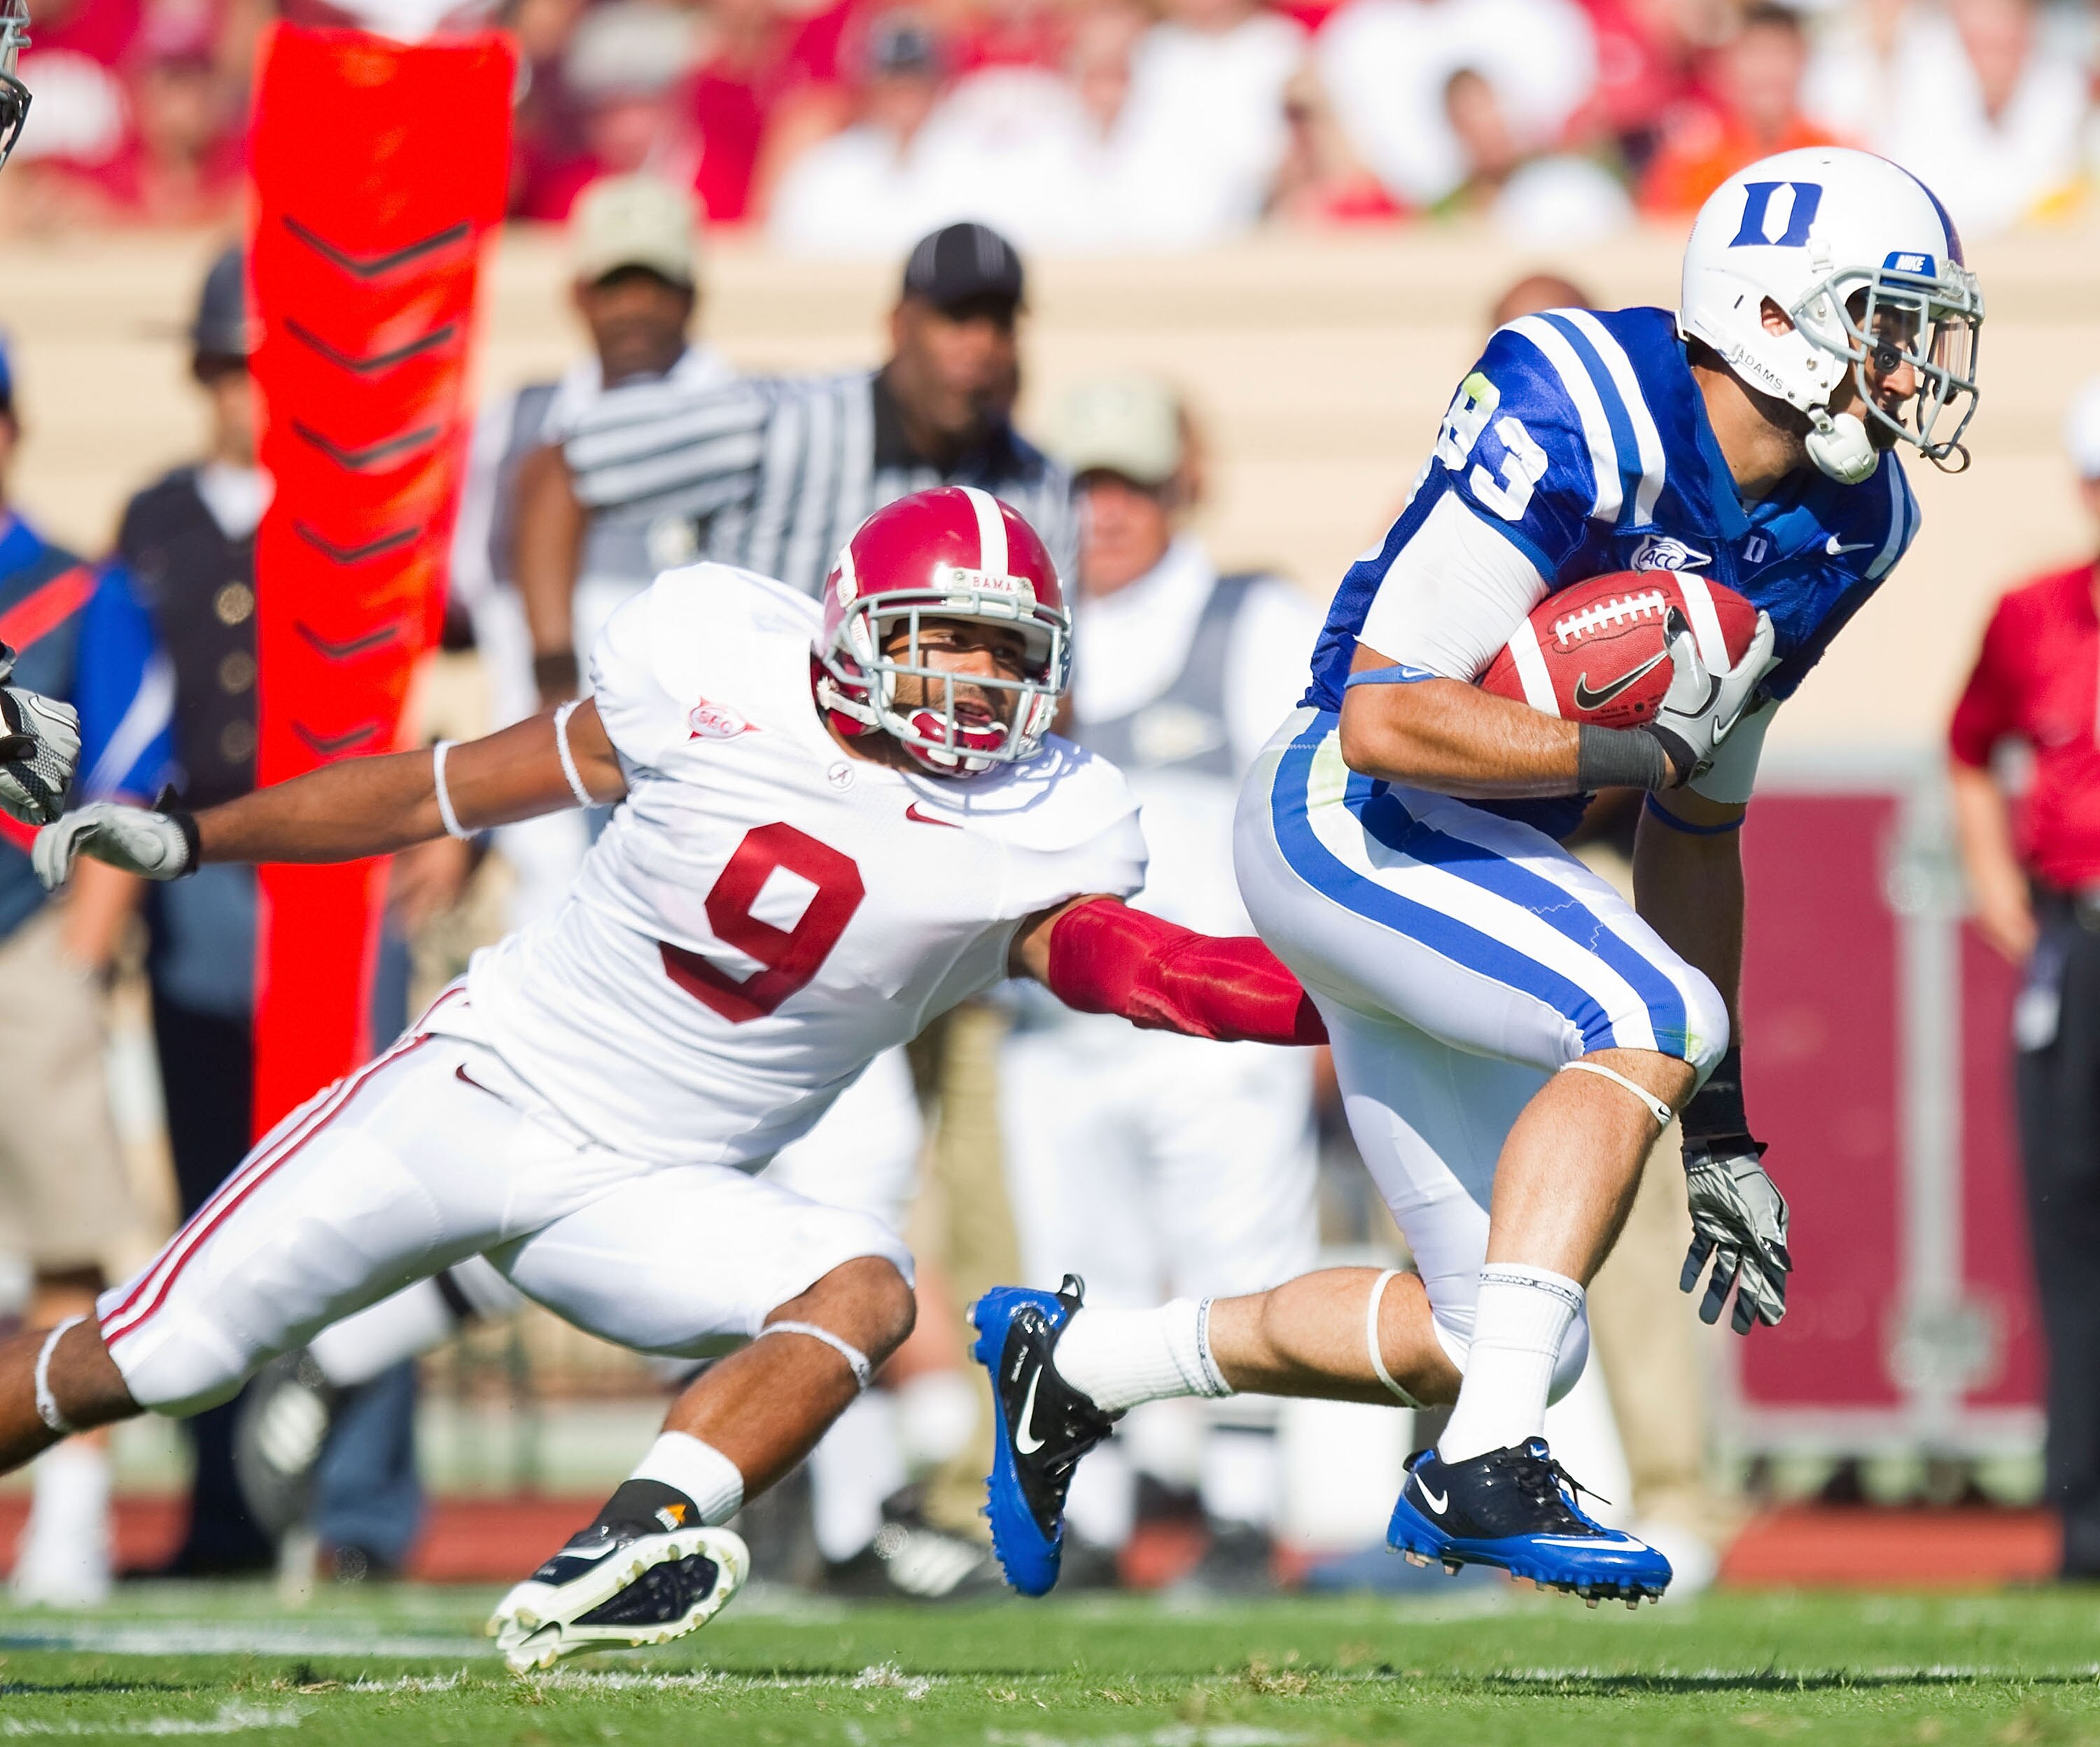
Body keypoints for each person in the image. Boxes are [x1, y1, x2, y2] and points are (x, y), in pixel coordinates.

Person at [14, 486, 1324, 1670]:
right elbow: (442, 791)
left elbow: (1153, 970)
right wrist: (197, 834)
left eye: (1012, 652)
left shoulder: (1037, 823)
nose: (983, 682)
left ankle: (622, 1549)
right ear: (856, 629)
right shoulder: (713, 664)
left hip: (654, 1191)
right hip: (482, 1089)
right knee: (155, 1353)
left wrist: (1373, 994)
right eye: (949, 639)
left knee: (864, 1284)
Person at [972, 144, 1983, 1603]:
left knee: (1505, 1326)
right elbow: (1388, 713)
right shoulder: (1581, 396)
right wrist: (1626, 752)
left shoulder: (1852, 523)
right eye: (1889, 324)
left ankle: (1076, 1366)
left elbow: (1703, 826)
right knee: (1654, 1016)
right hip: (1348, 805)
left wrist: (1724, 1134)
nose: (1915, 368)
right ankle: (1481, 1469)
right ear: (1777, 319)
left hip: (1468, 841)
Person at [998, 376, 1321, 1587]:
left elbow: (1310, 813)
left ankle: (1242, 1515)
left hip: (1216, 1027)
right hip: (1054, 1027)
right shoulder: (1021, 622)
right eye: (1087, 487)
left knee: (1242, 1268)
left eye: (1131, 484)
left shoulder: (1257, 615)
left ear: (1179, 485)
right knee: (1087, 1280)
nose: (1108, 513)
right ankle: (1094, 1522)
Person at [524, 218, 1074, 675]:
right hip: (745, 752)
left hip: (936, 771)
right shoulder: (780, 423)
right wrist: (553, 667)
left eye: (999, 324)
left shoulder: (1038, 485)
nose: (981, 345)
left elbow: (1056, 674)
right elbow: (567, 467)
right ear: (899, 325)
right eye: (957, 319)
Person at [0, 331, 166, 1606]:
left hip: (25, 946)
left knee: (65, 1241)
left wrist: (82, 946)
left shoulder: (71, 587)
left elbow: (125, 768)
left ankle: (72, 1510)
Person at [1947, 377, 2100, 1581]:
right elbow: (1967, 748)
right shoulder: (2033, 616)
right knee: (2072, 1225)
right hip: (2079, 936)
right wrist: (1999, 886)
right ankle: (2085, 1522)